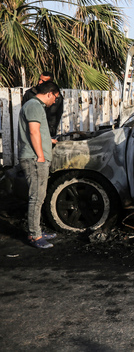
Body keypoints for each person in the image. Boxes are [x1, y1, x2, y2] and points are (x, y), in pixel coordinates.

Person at [18, 81, 61, 248]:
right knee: (36, 198)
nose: (55, 101)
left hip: (34, 157)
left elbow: (37, 131)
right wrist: (41, 155)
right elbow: (33, 131)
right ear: (49, 93)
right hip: (35, 159)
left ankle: (36, 231)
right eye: (55, 97)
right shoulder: (34, 106)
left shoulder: (34, 106)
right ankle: (35, 236)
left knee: (39, 197)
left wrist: (47, 140)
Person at [22, 71, 63, 137]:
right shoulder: (30, 93)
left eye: (43, 81)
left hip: (48, 132)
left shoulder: (56, 97)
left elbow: (55, 116)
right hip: (31, 131)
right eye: (39, 79)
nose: (40, 82)